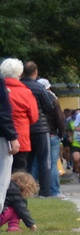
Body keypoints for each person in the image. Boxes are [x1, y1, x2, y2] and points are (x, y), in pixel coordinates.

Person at [20, 63, 61, 198]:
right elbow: (49, 107)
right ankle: (45, 192)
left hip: (25, 129)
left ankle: (26, 190)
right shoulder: (39, 87)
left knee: (27, 161)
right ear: (36, 72)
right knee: (45, 161)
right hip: (41, 128)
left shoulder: (20, 86)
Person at [2, 60, 40, 198]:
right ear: (20, 73)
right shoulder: (25, 92)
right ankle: (17, 201)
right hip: (20, 138)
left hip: (2, 137)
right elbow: (34, 116)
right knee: (19, 174)